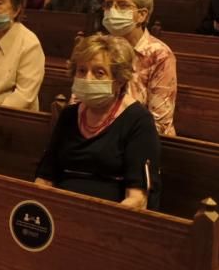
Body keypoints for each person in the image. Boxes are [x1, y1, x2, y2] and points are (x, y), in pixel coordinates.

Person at [36, 35, 161, 210]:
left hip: (110, 217)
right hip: (61, 210)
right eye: (81, 70)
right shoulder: (69, 115)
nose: (87, 78)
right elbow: (44, 178)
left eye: (99, 72)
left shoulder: (138, 121)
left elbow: (137, 199)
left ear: (119, 80)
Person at [101, 0, 177, 136]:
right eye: (108, 5)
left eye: (122, 5)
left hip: (141, 139)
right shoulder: (99, 47)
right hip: (97, 133)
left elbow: (159, 122)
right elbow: (78, 102)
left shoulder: (159, 54)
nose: (112, 11)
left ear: (142, 15)